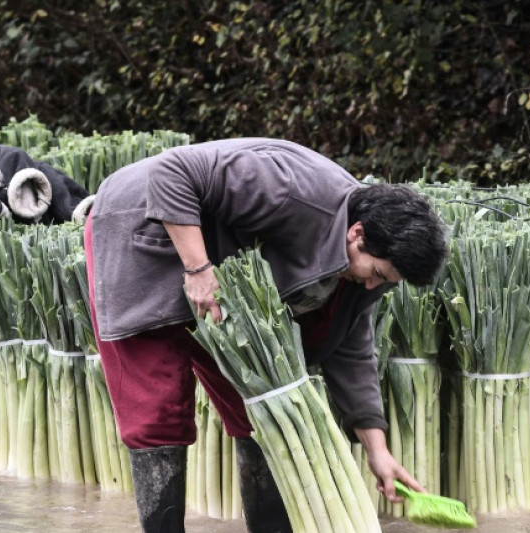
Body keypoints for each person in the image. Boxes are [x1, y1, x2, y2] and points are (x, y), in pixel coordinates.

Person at [83, 138, 448, 532]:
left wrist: (378, 451)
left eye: (386, 282)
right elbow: (172, 171)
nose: (373, 285)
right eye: (377, 273)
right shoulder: (292, 190)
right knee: (158, 407)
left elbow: (351, 346)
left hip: (215, 260)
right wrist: (198, 269)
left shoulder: (365, 269)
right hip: (144, 228)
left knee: (256, 407)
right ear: (357, 233)